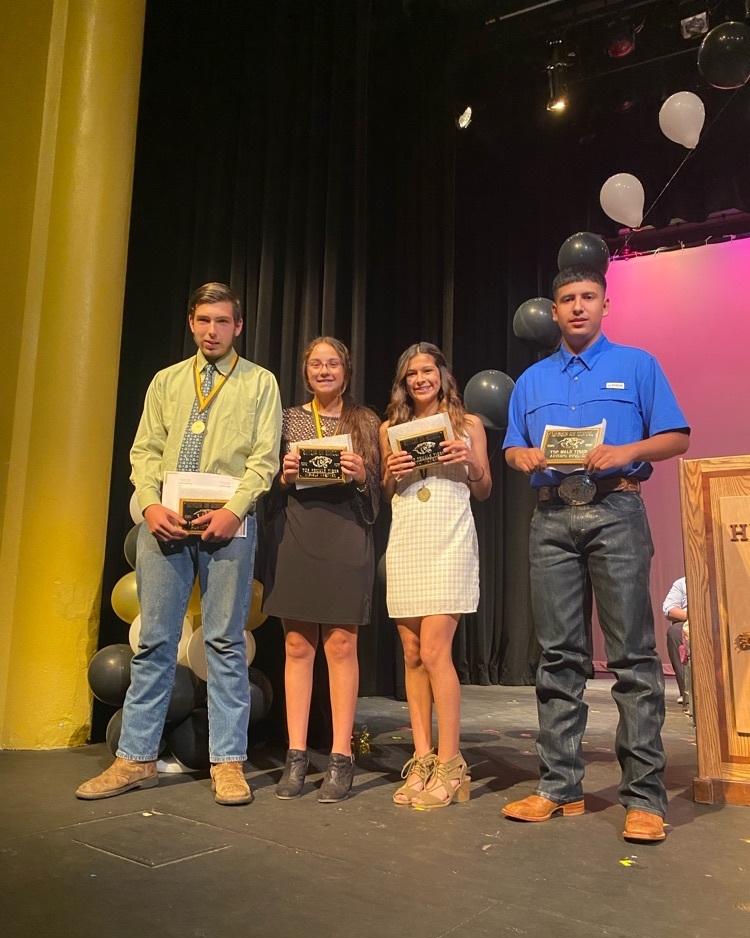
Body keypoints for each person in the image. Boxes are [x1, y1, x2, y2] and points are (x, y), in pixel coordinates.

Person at [502, 266, 690, 842]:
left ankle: (645, 798)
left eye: (587, 297)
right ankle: (559, 788)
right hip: (552, 516)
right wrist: (524, 460)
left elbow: (678, 436)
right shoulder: (532, 379)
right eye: (567, 300)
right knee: (559, 655)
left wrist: (625, 450)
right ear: (553, 312)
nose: (577, 307)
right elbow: (511, 446)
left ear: (605, 305)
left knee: (633, 657)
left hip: (617, 511)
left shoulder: (637, 364)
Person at [77, 282, 282, 805]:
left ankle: (228, 763)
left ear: (238, 327)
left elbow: (264, 459)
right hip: (164, 523)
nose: (212, 331)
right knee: (155, 643)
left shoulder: (260, 383)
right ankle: (136, 758)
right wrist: (148, 505)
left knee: (224, 643)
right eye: (203, 321)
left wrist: (233, 511)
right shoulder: (166, 381)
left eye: (222, 322)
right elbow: (144, 450)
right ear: (191, 323)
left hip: (228, 526)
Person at [262, 337, 381, 802]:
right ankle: (295, 757)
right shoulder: (289, 417)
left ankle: (340, 757)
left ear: (345, 371)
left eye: (333, 363)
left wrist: (359, 473)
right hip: (299, 531)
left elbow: (377, 491)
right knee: (295, 645)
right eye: (316, 364)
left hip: (347, 534)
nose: (325, 370)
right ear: (306, 370)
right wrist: (284, 473)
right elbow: (268, 478)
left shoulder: (365, 420)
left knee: (341, 645)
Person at [380, 343, 491, 809]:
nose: (420, 379)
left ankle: (451, 763)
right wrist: (389, 470)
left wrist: (467, 461)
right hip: (407, 537)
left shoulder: (468, 425)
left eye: (427, 370)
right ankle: (422, 758)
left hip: (449, 537)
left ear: (443, 375)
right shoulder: (390, 428)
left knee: (433, 649)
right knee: (410, 654)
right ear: (404, 382)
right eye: (411, 374)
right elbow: (386, 492)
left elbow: (483, 488)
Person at [663, 576, 688, 706]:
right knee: (675, 632)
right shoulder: (681, 583)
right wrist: (694, 615)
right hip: (690, 621)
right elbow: (669, 609)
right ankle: (687, 692)